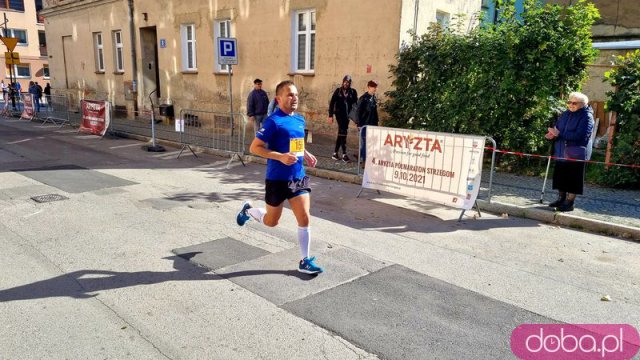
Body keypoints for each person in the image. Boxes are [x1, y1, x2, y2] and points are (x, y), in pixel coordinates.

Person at [236, 80, 323, 275]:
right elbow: (255, 147)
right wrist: (280, 157)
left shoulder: (299, 119)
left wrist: (305, 154)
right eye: (290, 95)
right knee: (271, 222)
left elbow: (295, 142)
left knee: (304, 217)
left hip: (297, 177)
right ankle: (249, 211)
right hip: (276, 179)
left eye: (296, 95)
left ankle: (304, 260)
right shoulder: (273, 121)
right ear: (278, 98)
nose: (294, 98)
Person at [545, 92, 594, 212]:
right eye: (569, 102)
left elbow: (581, 136)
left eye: (574, 103)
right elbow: (558, 128)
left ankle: (569, 202)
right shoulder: (566, 114)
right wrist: (552, 135)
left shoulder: (586, 116)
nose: (571, 105)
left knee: (573, 178)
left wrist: (559, 134)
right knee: (560, 176)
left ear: (583, 104)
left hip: (575, 151)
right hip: (561, 150)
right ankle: (561, 199)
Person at [328, 75, 358, 162]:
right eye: (345, 82)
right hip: (339, 115)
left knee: (341, 133)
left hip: (347, 116)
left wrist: (356, 118)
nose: (346, 83)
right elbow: (332, 103)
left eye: (348, 82)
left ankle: (335, 153)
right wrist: (330, 115)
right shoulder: (338, 91)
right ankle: (344, 154)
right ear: (343, 82)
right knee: (343, 132)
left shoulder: (353, 92)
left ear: (350, 83)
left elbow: (356, 105)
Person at [356, 80, 379, 163]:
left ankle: (361, 157)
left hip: (373, 124)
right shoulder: (363, 98)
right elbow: (358, 112)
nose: (375, 89)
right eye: (373, 87)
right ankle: (365, 161)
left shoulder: (373, 98)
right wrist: (359, 124)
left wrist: (376, 123)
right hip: (365, 124)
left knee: (370, 143)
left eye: (375, 87)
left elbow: (374, 112)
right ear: (369, 87)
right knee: (366, 143)